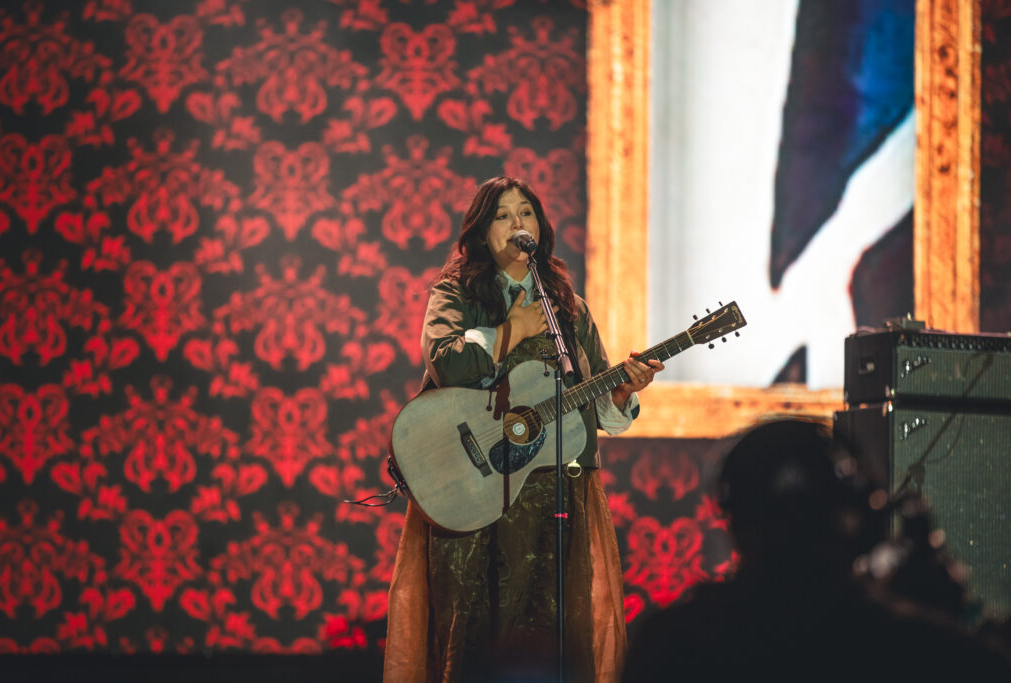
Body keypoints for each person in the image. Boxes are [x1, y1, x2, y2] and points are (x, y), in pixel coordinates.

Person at [383, 176, 664, 682]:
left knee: (553, 630)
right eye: (503, 215)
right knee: (471, 637)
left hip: (552, 497)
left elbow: (593, 403)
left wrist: (621, 392)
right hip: (471, 492)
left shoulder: (569, 308)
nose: (518, 224)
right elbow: (446, 364)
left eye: (527, 213)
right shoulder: (456, 294)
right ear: (481, 231)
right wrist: (511, 330)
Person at [622, 418, 1011, 681]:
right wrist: (950, 613)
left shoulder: (670, 643)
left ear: (734, 522)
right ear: (857, 520)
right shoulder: (910, 647)